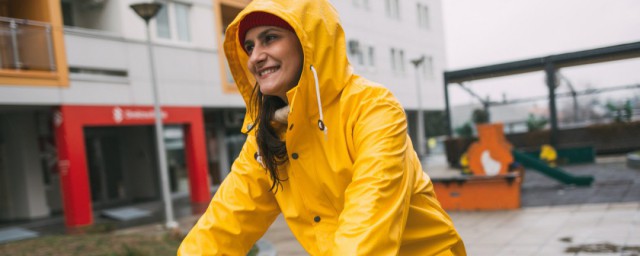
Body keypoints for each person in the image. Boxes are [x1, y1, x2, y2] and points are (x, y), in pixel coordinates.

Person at [178, 0, 466, 255]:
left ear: (308, 42)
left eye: (270, 38)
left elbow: (370, 214)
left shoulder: (373, 108)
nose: (255, 57)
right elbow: (225, 222)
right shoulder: (267, 137)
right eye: (250, 46)